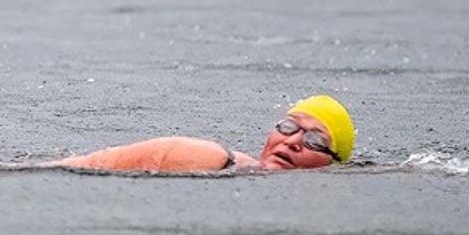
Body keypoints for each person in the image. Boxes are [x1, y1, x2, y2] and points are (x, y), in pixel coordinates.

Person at [51, 95, 355, 173]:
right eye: (288, 127)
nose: (292, 141)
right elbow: (83, 166)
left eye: (314, 141)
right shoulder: (211, 158)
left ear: (333, 162)